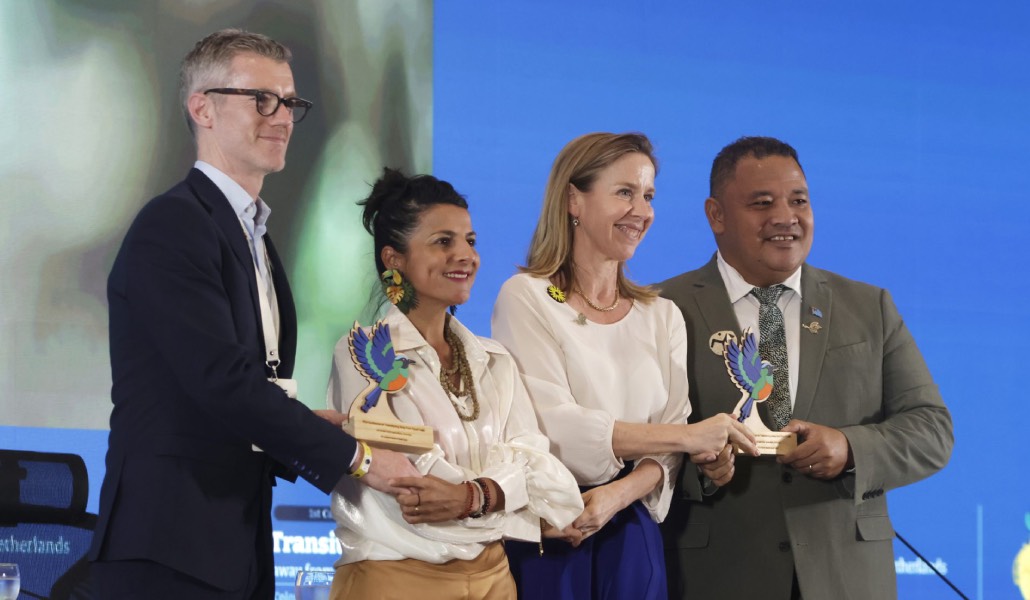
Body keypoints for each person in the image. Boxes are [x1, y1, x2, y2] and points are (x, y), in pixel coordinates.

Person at [88, 29, 420, 599]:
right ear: (203, 109)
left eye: (290, 102)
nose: (282, 117)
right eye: (261, 99)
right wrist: (360, 459)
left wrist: (305, 424)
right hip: (168, 547)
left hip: (232, 541)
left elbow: (241, 386)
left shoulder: (254, 235)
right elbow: (222, 382)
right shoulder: (174, 224)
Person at [658, 136, 954, 599]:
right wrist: (698, 466)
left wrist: (850, 448)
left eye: (798, 201)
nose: (785, 217)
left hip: (846, 578)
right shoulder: (662, 309)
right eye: (762, 203)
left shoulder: (869, 307)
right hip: (715, 576)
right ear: (716, 215)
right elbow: (634, 445)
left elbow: (932, 430)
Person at [490, 132, 757, 599]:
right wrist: (689, 436)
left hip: (632, 532)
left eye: (648, 196)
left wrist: (619, 495)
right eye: (625, 192)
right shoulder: (527, 296)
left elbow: (672, 437)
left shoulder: (662, 315)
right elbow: (555, 428)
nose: (642, 211)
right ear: (573, 199)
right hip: (557, 527)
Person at [325, 168, 584, 599]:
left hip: (495, 576)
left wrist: (476, 496)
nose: (465, 255)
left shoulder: (495, 360)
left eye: (470, 241)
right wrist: (504, 495)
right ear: (394, 259)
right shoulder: (363, 351)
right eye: (443, 241)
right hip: (395, 577)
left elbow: (541, 470)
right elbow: (413, 484)